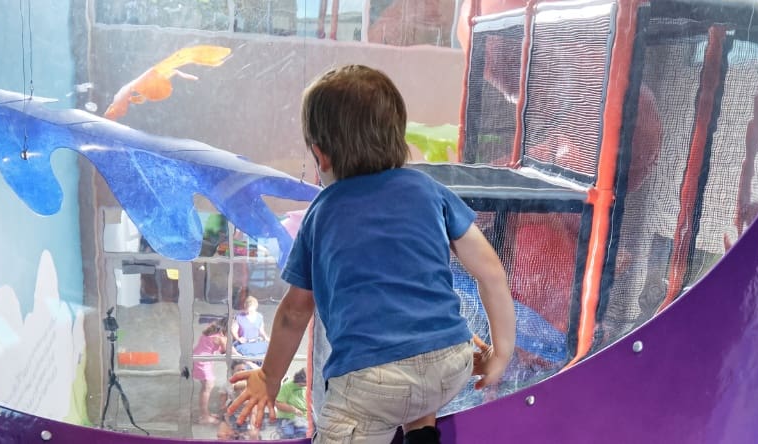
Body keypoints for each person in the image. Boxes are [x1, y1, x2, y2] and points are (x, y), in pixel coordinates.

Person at [228, 65, 516, 444]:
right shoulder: (429, 190)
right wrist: (500, 355)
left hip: (371, 383)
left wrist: (268, 377)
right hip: (451, 360)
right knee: (416, 386)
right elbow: (492, 272)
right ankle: (421, 435)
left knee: (382, 397)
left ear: (321, 155)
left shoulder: (323, 212)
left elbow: (295, 312)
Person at [192, 322, 233, 424]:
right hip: (202, 361)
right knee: (208, 387)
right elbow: (225, 351)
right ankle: (205, 417)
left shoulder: (210, 331)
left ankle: (205, 413)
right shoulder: (221, 338)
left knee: (205, 387)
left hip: (199, 358)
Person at [273, 370, 311, 438]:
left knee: (303, 436)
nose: (305, 385)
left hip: (302, 419)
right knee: (288, 436)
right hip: (286, 418)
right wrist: (294, 410)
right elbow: (278, 404)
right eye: (304, 383)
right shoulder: (287, 386)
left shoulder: (307, 387)